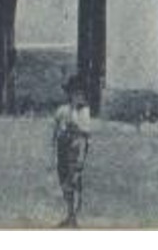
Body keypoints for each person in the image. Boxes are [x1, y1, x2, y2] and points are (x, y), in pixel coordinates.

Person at [53, 75, 92, 228]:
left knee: (75, 182)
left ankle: (74, 217)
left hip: (75, 151)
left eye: (80, 94)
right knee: (64, 183)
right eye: (74, 93)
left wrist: (81, 158)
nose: (77, 97)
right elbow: (55, 131)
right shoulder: (62, 110)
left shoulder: (84, 112)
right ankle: (69, 213)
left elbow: (84, 137)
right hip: (63, 150)